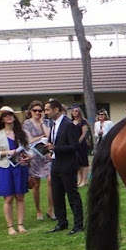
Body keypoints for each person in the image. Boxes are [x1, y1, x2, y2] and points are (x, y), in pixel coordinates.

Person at [0, 106, 31, 235]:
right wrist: (6, 152)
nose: (8, 117)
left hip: (20, 167)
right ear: (1, 119)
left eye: (10, 114)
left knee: (20, 196)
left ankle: (20, 224)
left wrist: (28, 157)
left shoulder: (22, 133)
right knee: (8, 197)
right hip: (5, 168)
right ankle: (10, 226)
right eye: (5, 115)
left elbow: (29, 149)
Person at [44, 99, 84, 235]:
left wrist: (55, 148)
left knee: (72, 194)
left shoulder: (68, 125)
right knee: (57, 194)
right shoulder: (53, 124)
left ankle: (79, 225)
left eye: (47, 109)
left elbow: (74, 146)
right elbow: (54, 142)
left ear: (56, 110)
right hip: (55, 163)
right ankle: (62, 222)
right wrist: (49, 150)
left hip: (67, 164)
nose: (45, 112)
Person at [23, 100, 54, 221]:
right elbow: (30, 140)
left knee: (51, 180)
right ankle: (38, 210)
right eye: (35, 110)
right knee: (36, 184)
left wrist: (42, 123)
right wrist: (42, 137)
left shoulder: (46, 122)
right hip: (34, 156)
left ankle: (51, 209)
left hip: (46, 155)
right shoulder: (27, 124)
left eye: (40, 111)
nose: (37, 113)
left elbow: (50, 136)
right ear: (30, 111)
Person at [69, 105, 91, 187]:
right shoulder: (71, 122)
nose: (74, 112)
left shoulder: (83, 122)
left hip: (81, 144)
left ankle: (84, 180)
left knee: (84, 162)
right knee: (77, 163)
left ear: (79, 112)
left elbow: (84, 133)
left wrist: (78, 142)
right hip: (73, 145)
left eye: (76, 111)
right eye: (73, 111)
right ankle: (79, 179)